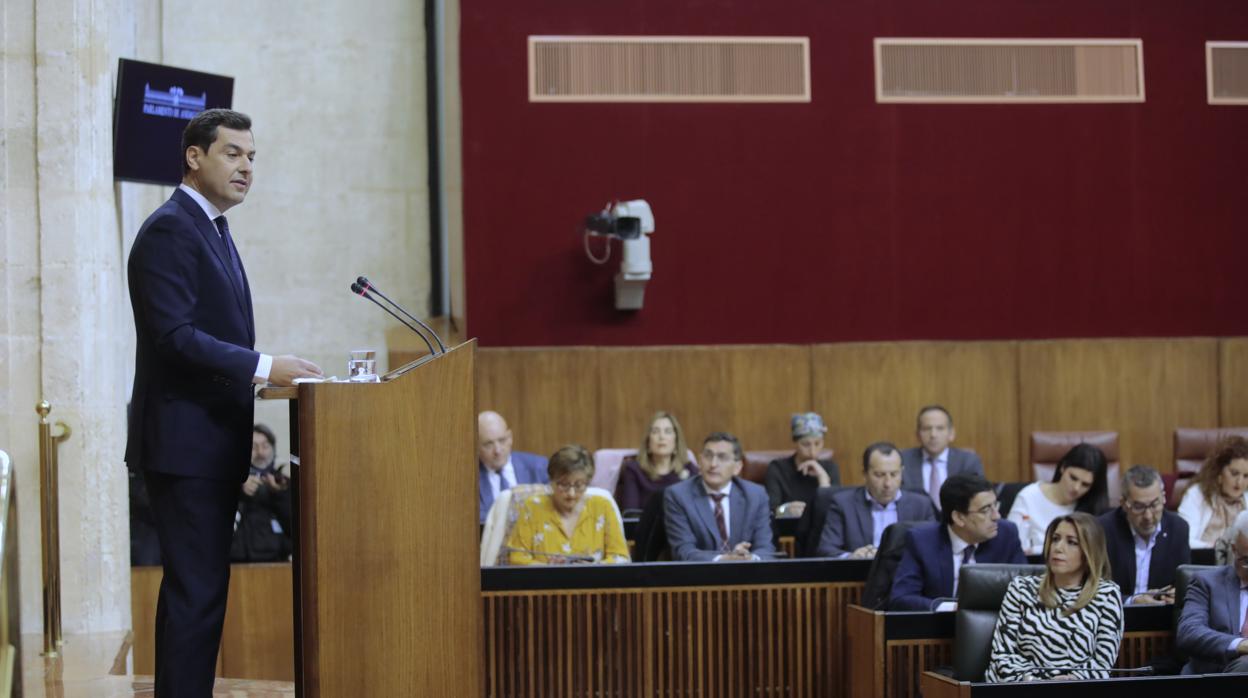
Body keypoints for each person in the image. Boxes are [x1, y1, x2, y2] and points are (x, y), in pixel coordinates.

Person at [126, 108, 323, 696]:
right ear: (195, 156)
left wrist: (257, 379)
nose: (246, 168)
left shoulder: (211, 227)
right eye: (233, 154)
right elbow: (175, 337)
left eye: (253, 157)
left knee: (197, 595)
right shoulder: (170, 229)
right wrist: (263, 365)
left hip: (206, 444)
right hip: (185, 448)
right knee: (196, 596)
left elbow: (210, 337)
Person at [984, 513, 1124, 682]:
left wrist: (1069, 680)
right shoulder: (1021, 589)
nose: (1058, 547)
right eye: (1055, 539)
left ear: (1089, 552)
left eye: (1071, 542)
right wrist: (1036, 683)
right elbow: (1002, 655)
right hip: (1020, 688)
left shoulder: (1106, 594)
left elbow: (1103, 664)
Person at [888, 474, 1026, 611]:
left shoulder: (1006, 535)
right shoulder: (922, 542)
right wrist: (952, 608)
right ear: (959, 517)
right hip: (938, 628)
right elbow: (901, 599)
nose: (997, 516)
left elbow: (1025, 592)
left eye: (995, 505)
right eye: (986, 510)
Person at [504, 445, 629, 565]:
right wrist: (548, 567)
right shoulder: (532, 507)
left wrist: (593, 567)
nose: (571, 493)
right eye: (564, 484)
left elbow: (621, 558)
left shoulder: (603, 506)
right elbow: (516, 558)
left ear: (587, 482)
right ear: (551, 481)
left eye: (579, 485)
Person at [664, 432, 776, 561]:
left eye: (722, 457)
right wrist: (723, 559)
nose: (713, 464)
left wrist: (749, 558)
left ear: (737, 467)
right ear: (700, 461)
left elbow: (766, 548)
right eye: (708, 456)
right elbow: (683, 551)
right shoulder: (678, 495)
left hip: (747, 575)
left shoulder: (756, 495)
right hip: (699, 577)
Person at [816, 442, 937, 558]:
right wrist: (851, 557)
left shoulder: (921, 505)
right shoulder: (843, 504)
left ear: (902, 472)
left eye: (894, 474)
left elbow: (935, 548)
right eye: (879, 475)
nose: (888, 483)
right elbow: (826, 550)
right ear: (865, 474)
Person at [1097, 465, 1190, 604]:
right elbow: (1093, 589)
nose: (1148, 516)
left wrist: (1176, 595)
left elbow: (1184, 583)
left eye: (1154, 505)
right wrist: (1131, 601)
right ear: (1123, 503)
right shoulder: (1103, 529)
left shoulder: (1178, 528)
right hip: (1116, 616)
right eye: (1139, 507)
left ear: (1163, 498)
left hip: (1161, 617)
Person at [1175, 511, 1248, 674]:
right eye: (1247, 561)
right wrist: (1240, 644)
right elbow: (1189, 632)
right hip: (1213, 679)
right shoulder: (1207, 583)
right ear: (1234, 550)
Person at [1008, 443, 1111, 554]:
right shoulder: (1028, 497)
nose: (1076, 488)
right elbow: (1009, 544)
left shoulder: (1093, 509)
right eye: (1073, 478)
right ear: (1063, 467)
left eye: (1085, 485)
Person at [229, 424, 293, 562]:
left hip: (276, 562)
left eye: (265, 446)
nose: (261, 453)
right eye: (254, 447)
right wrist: (238, 490)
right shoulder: (229, 481)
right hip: (236, 561)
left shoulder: (282, 481)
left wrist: (279, 494)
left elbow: (296, 527)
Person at [900, 405, 984, 511]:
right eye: (926, 428)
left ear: (951, 433)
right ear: (917, 434)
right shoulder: (903, 460)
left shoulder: (968, 461)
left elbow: (977, 499)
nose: (933, 434)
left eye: (940, 428)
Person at [613, 411, 697, 513]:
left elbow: (696, 514)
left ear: (676, 441)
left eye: (668, 431)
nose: (661, 437)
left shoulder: (690, 470)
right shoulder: (633, 470)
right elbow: (631, 515)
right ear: (648, 441)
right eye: (655, 431)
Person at [1178, 435, 1248, 550]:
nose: (1239, 482)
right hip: (1204, 563)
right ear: (1219, 472)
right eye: (1234, 473)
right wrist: (1215, 549)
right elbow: (1183, 539)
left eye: (1246, 476)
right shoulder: (1196, 495)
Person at [765, 412, 841, 517]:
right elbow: (770, 512)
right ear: (795, 443)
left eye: (818, 443)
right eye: (806, 444)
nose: (813, 451)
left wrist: (824, 482)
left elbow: (836, 513)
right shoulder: (778, 469)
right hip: (789, 529)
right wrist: (786, 511)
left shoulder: (830, 468)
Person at [478, 410, 548, 523]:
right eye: (488, 444)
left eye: (502, 440)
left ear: (510, 437)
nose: (498, 450)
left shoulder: (539, 467)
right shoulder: (469, 478)